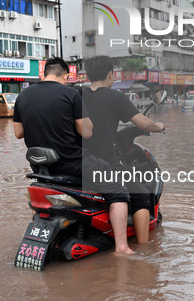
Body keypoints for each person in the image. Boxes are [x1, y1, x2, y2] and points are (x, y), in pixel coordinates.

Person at [13, 57, 135, 255]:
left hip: (40, 168)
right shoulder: (71, 94)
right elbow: (86, 132)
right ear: (66, 76)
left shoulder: (23, 95)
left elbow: (19, 133)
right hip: (72, 163)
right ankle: (122, 248)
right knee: (118, 189)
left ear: (45, 73)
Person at [83, 55, 165, 244]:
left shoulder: (78, 95)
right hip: (106, 163)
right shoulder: (116, 96)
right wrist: (159, 126)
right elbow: (143, 123)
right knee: (142, 196)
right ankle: (144, 248)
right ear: (110, 74)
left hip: (80, 162)